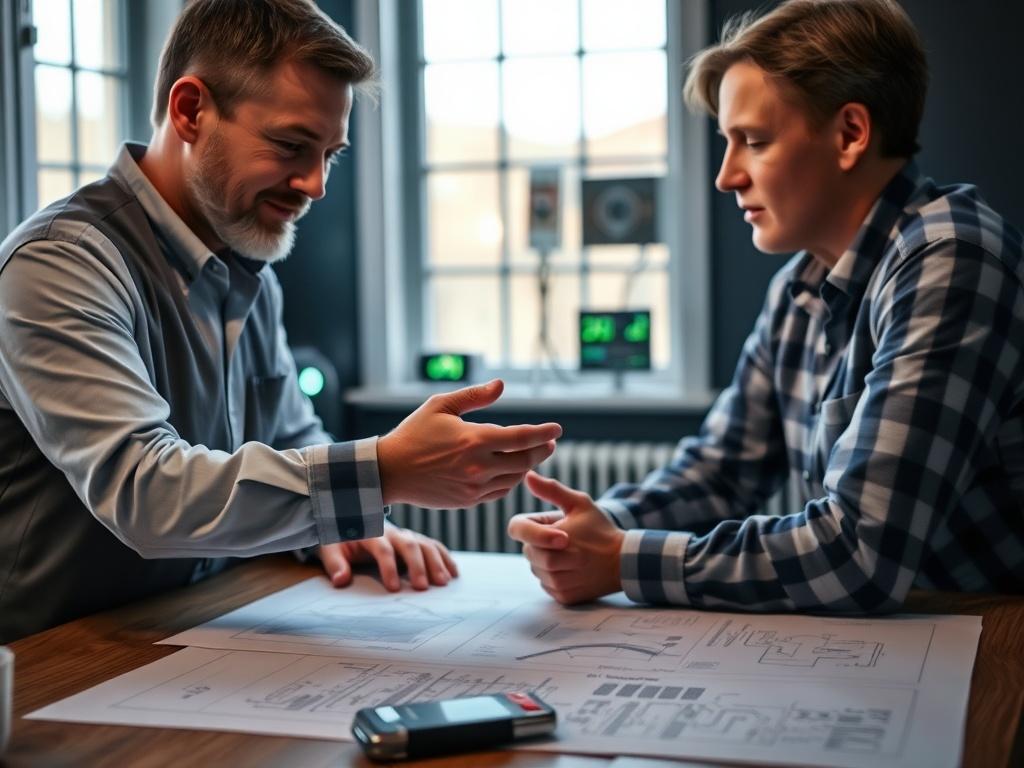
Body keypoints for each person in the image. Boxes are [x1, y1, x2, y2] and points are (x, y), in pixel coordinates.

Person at [0, 0, 561, 643]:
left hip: (189, 630)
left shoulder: (250, 271)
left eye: (331, 154)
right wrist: (382, 473)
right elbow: (146, 494)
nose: (316, 184)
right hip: (49, 661)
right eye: (292, 145)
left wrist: (342, 529)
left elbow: (294, 439)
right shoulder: (60, 263)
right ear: (190, 111)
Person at [509, 0, 1024, 612]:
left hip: (997, 640)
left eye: (753, 141)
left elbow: (860, 553)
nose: (726, 176)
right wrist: (596, 527)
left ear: (850, 134)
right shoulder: (799, 288)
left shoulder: (953, 260)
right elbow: (722, 471)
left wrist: (622, 559)